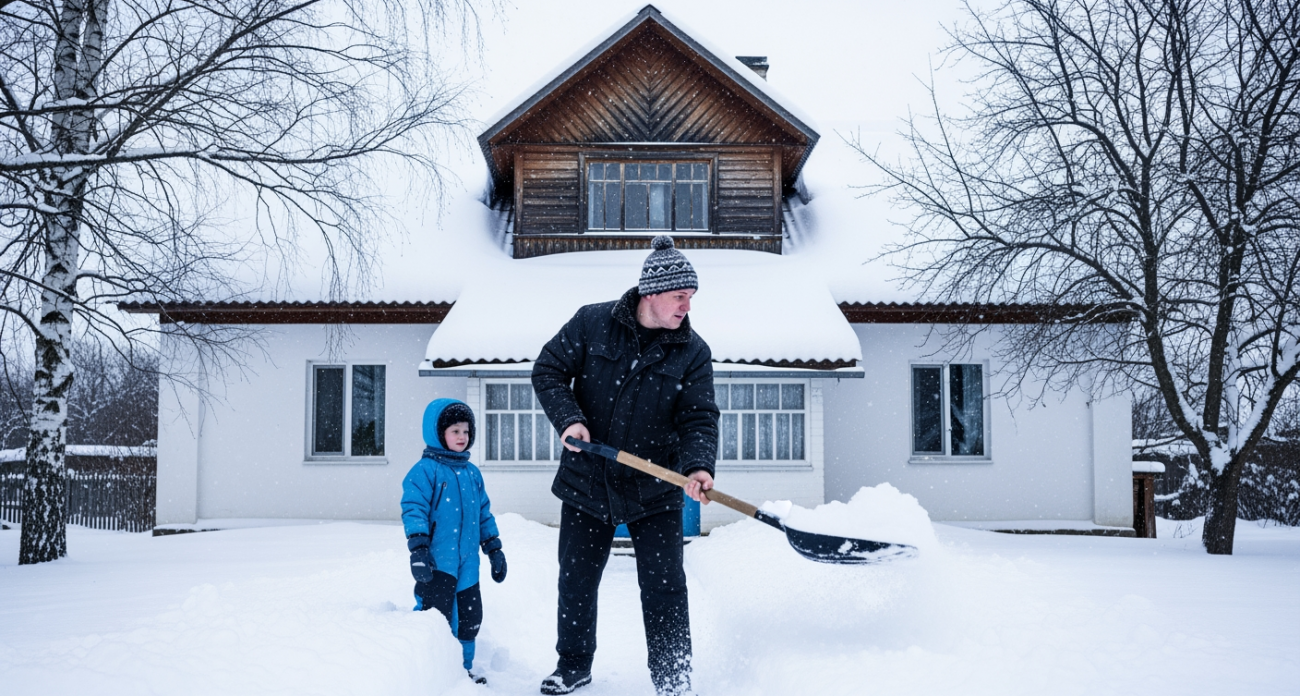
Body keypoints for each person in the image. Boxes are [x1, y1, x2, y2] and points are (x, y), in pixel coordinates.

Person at [532, 235, 720, 696]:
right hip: (588, 478)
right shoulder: (592, 323)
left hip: (655, 485)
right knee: (576, 581)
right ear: (652, 293)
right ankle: (573, 666)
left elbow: (698, 417)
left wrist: (698, 466)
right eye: (680, 296)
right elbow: (548, 370)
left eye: (691, 297)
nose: (687, 307)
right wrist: (570, 420)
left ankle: (673, 678)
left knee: (665, 588)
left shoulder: (692, 351)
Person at [401, 398, 508, 686]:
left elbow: (483, 513)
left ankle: (463, 670)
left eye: (466, 431)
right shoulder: (425, 471)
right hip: (439, 560)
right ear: (439, 433)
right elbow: (414, 508)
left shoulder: (472, 473)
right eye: (455, 431)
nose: (462, 437)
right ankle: (430, 671)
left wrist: (494, 548)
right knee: (436, 616)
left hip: (468, 561)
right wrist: (419, 548)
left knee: (470, 617)